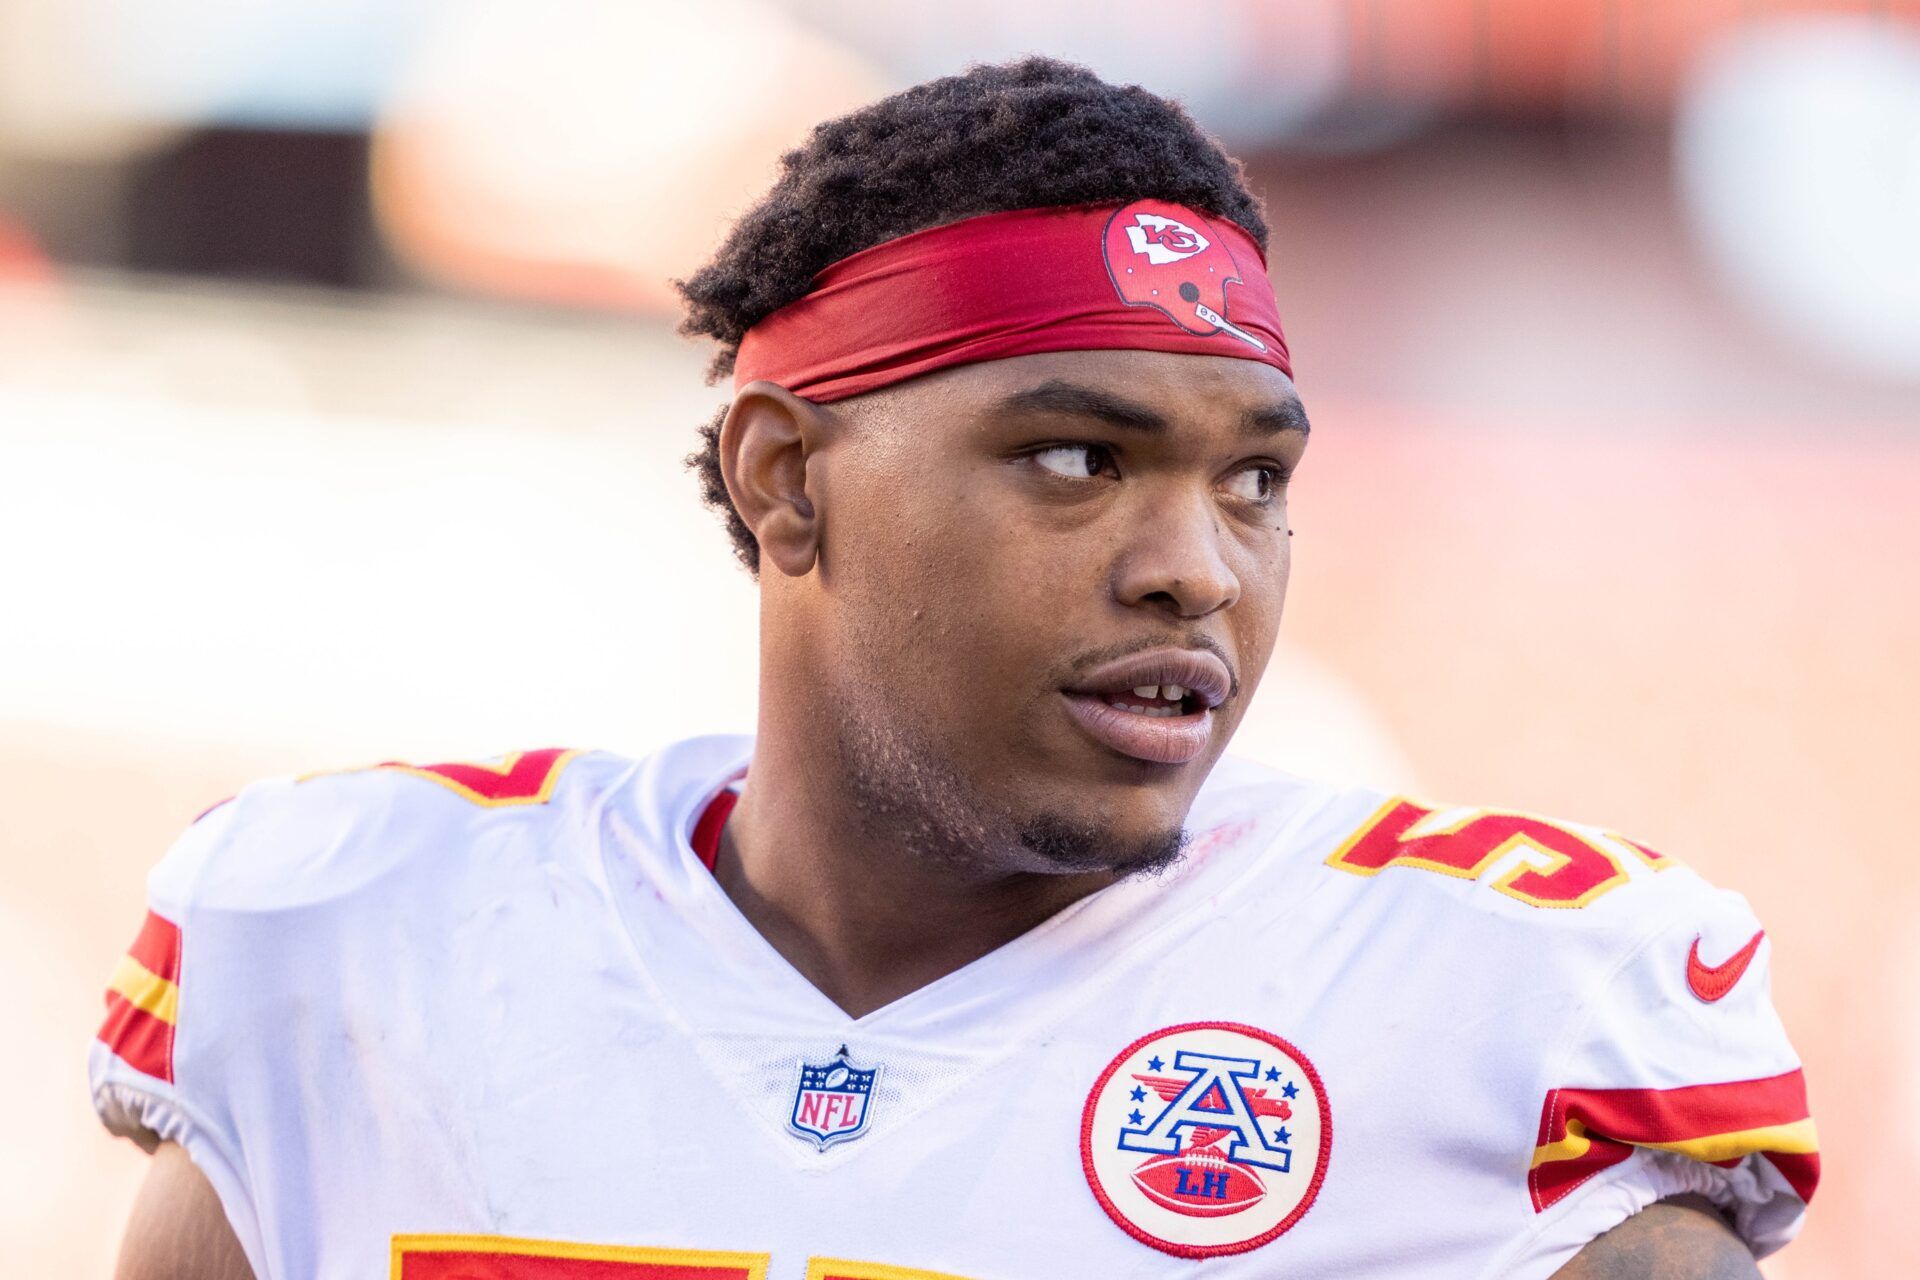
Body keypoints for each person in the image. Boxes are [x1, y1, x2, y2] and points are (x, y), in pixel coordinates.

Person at [95, 59, 1815, 1280]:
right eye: (1077, 458)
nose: (1195, 566)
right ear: (784, 480)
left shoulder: (1506, 1008)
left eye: (1257, 480)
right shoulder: (349, 936)